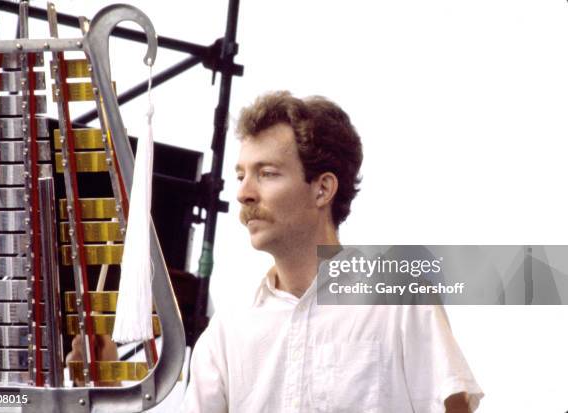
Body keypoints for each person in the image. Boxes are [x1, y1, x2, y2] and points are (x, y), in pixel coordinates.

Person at [182, 91, 483, 412]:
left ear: (322, 189)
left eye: (266, 173)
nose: (243, 193)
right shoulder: (228, 330)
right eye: (241, 175)